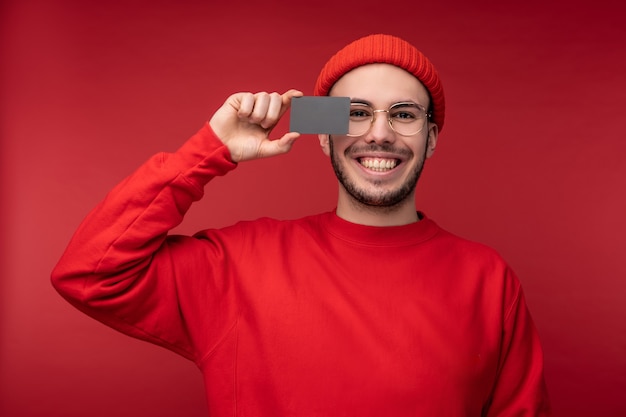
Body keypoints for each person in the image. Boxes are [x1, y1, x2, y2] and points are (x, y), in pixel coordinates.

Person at [51, 34, 550, 416]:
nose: (379, 134)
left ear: (433, 137)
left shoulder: (487, 278)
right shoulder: (240, 265)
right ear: (322, 136)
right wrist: (209, 151)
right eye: (353, 113)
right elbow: (89, 273)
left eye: (403, 114)